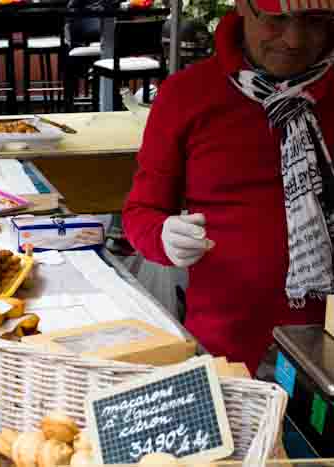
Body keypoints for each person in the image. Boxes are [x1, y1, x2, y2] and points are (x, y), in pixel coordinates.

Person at [122, 0, 334, 376]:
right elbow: (141, 213)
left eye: (314, 21)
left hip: (327, 348)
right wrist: (164, 236)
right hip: (227, 343)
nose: (293, 39)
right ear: (243, 7)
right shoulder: (187, 95)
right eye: (276, 19)